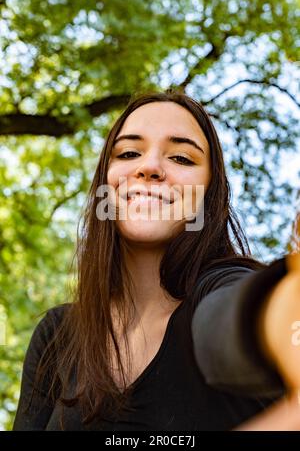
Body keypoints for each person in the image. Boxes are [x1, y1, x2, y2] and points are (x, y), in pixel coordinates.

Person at [12, 91, 299, 431]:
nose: (149, 167)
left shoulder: (221, 288)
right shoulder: (58, 334)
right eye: (129, 153)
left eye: (181, 158)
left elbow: (253, 313)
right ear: (106, 183)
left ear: (208, 195)